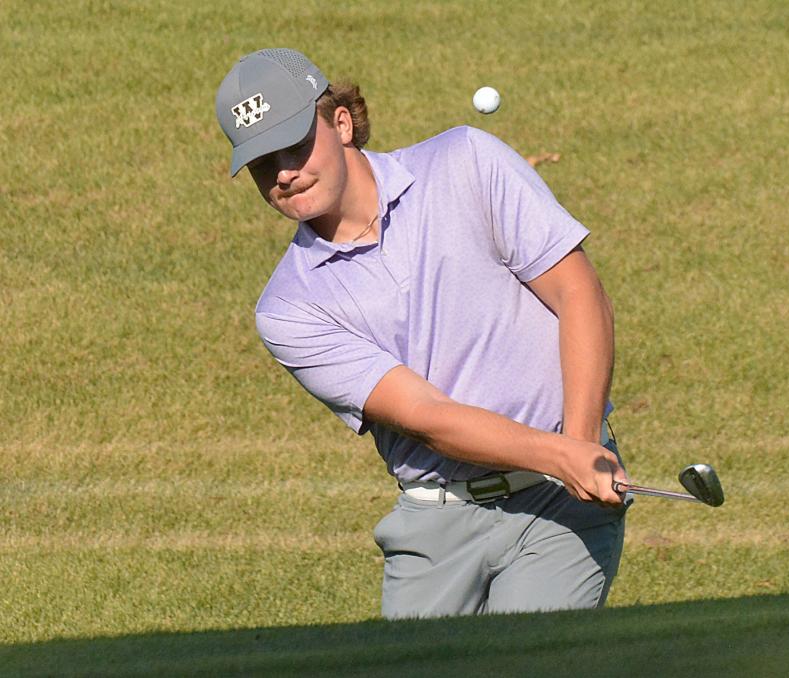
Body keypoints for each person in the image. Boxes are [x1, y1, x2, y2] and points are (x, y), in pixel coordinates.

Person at [215, 48, 631, 619]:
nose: (284, 172)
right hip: (435, 527)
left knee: (527, 660)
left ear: (340, 124)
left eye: (293, 144)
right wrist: (566, 455)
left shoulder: (465, 161)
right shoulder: (289, 309)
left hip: (559, 508)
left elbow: (579, 294)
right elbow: (426, 416)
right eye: (263, 162)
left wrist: (581, 445)